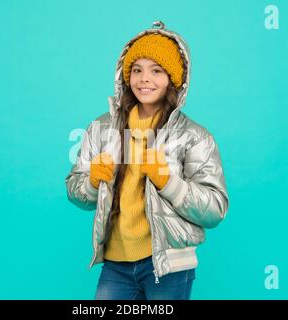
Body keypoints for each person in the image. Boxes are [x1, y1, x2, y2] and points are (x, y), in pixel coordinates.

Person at [65, 20, 229, 300]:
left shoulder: (194, 136)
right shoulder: (102, 128)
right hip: (116, 264)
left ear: (174, 79)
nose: (144, 79)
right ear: (125, 76)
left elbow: (215, 208)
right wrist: (92, 181)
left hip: (168, 265)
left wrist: (168, 181)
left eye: (156, 71)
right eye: (137, 70)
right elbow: (74, 190)